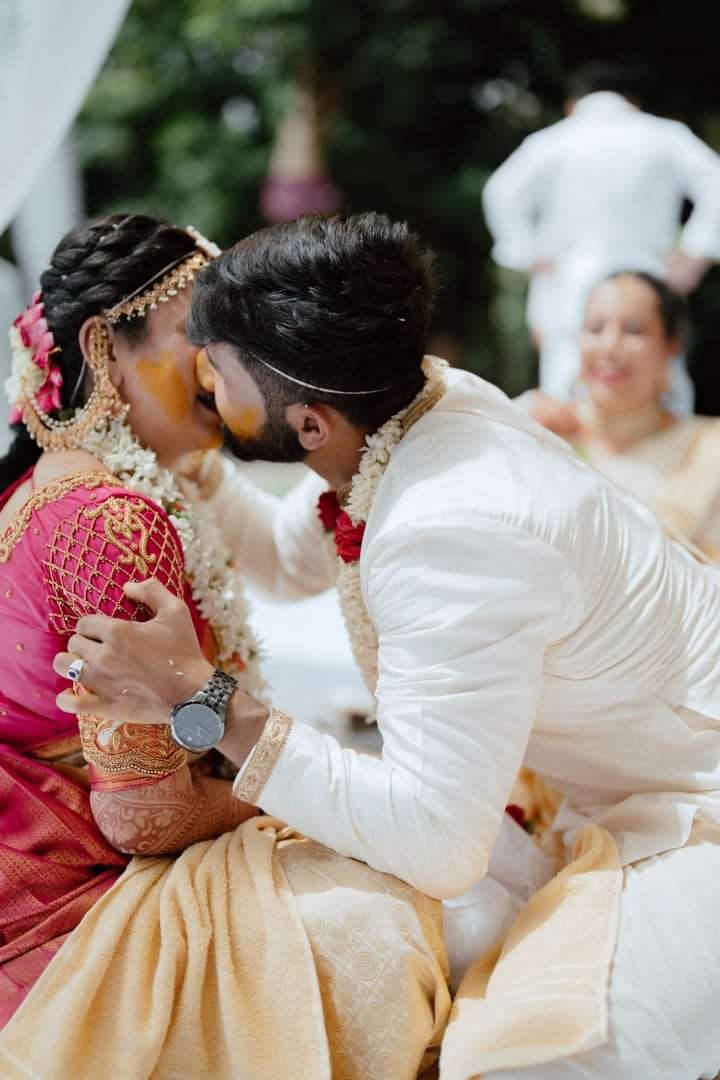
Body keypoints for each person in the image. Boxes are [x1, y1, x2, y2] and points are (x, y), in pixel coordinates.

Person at [53, 211, 720, 1079]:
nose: (200, 380)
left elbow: (437, 839)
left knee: (528, 1058)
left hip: (694, 812)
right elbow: (287, 559)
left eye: (217, 367)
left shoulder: (450, 525)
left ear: (310, 425)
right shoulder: (414, 411)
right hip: (610, 787)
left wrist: (199, 695)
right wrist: (174, 442)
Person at [0, 213, 452, 1079]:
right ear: (103, 349)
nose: (222, 359)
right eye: (198, 332)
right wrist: (301, 791)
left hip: (51, 849)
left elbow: (284, 558)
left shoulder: (74, 476)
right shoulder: (109, 520)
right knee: (384, 918)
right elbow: (143, 816)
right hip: (77, 884)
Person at [482, 62, 720, 409]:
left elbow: (501, 192)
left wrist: (526, 253)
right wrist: (697, 255)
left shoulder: (552, 141)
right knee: (661, 383)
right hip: (651, 277)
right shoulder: (666, 135)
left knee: (566, 387)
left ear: (572, 104)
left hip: (570, 280)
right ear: (633, 102)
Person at [528, 271, 720, 560]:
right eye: (595, 328)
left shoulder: (707, 448)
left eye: (633, 329)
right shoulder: (528, 425)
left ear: (671, 345)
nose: (610, 347)